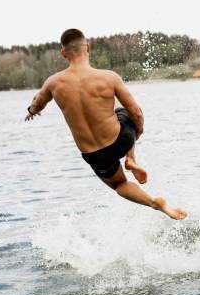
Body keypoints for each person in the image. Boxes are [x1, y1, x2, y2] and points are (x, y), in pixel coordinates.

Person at [24, 29, 186, 220]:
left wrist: (31, 111)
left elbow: (38, 102)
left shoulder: (53, 83)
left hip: (94, 154)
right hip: (121, 139)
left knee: (119, 185)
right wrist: (137, 133)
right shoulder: (108, 77)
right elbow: (136, 112)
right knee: (120, 107)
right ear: (88, 48)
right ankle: (131, 158)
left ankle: (154, 203)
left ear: (63, 53)